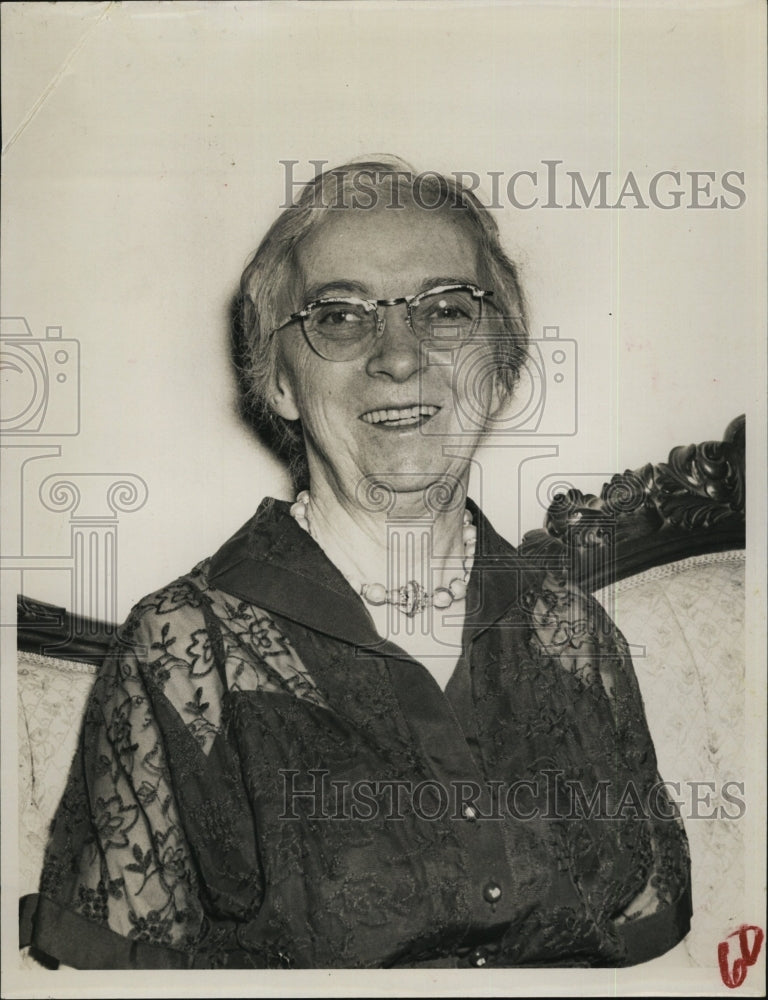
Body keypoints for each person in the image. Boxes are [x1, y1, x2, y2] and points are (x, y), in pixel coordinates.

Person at [20, 158, 691, 969]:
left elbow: (650, 946)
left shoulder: (572, 635)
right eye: (339, 317)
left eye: (447, 310)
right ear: (278, 380)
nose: (398, 356)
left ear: (502, 364)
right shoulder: (182, 653)